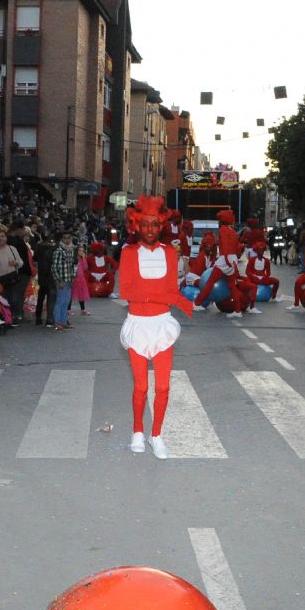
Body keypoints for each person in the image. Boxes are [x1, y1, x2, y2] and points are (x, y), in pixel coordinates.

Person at [115, 196, 195, 459]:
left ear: (161, 226)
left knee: (162, 387)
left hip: (162, 325)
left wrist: (158, 295)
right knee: (141, 387)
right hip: (138, 325)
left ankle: (156, 435)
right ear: (137, 226)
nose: (149, 230)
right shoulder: (128, 253)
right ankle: (137, 431)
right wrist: (165, 297)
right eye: (145, 225)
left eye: (154, 225)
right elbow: (127, 292)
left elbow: (171, 289)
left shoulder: (170, 253)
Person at [50, 233, 78, 329]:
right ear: (62, 239)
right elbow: (54, 267)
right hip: (62, 280)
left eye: (69, 238)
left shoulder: (70, 250)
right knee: (60, 301)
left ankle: (63, 320)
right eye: (65, 238)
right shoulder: (59, 251)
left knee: (66, 301)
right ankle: (57, 322)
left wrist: (73, 277)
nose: (67, 240)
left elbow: (73, 266)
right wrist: (58, 280)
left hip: (68, 280)